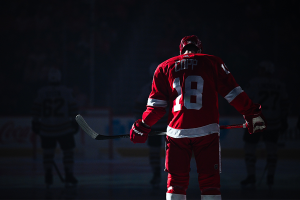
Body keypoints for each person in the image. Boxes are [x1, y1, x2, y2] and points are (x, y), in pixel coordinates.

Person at [129, 35, 266, 200]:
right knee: (210, 184)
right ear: (200, 49)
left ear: (181, 50)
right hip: (207, 131)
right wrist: (251, 114)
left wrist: (143, 126)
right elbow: (233, 94)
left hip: (177, 133)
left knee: (175, 184)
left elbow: (156, 109)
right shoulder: (212, 62)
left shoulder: (164, 67)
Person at [240, 61, 289, 189]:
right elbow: (284, 104)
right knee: (272, 150)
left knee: (250, 148)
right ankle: (270, 178)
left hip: (257, 119)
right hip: (274, 120)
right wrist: (284, 119)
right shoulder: (280, 85)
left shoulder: (254, 82)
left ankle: (251, 176)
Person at [31, 68, 79, 188]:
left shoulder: (41, 92)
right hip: (64, 128)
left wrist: (35, 122)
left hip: (46, 129)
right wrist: (75, 122)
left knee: (48, 154)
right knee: (68, 152)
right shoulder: (66, 91)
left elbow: (36, 109)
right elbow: (73, 108)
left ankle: (48, 176)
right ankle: (69, 174)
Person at [134, 62, 169, 189]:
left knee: (154, 151)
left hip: (155, 125)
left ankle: (156, 175)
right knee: (172, 150)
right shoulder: (169, 87)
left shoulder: (147, 88)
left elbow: (138, 107)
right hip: (166, 125)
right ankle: (170, 175)